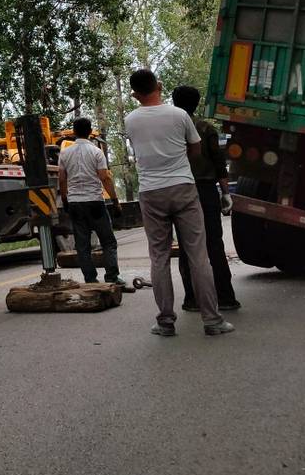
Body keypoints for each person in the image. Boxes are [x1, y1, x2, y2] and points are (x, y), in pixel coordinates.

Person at [124, 68, 234, 338]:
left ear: (135, 94)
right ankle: (212, 320)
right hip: (183, 188)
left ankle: (165, 322)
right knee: (199, 254)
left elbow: (137, 151)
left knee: (159, 257)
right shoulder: (180, 115)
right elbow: (195, 150)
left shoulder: (131, 120)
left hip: (151, 192)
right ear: (159, 86)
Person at [171, 84, 240, 313]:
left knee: (187, 246)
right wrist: (226, 193)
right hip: (206, 191)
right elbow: (220, 165)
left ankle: (192, 299)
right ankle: (226, 297)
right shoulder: (206, 128)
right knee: (213, 244)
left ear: (173, 102)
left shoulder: (169, 131)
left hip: (180, 191)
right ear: (197, 103)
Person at [57, 117, 124, 286]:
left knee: (82, 244)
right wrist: (115, 200)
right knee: (108, 241)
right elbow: (105, 177)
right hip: (95, 202)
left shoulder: (64, 153)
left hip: (75, 204)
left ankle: (90, 279)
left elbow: (62, 179)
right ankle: (112, 277)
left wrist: (65, 199)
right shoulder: (96, 152)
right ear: (89, 131)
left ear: (73, 132)